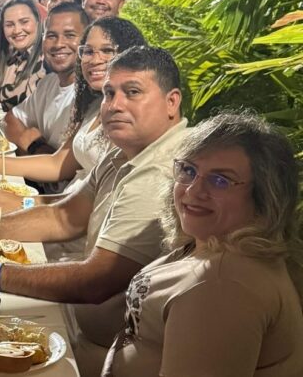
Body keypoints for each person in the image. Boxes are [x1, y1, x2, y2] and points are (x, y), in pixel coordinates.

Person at [0, 46, 188, 377]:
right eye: (109, 93)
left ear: (172, 102)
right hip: (78, 322)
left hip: (106, 354)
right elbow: (64, 216)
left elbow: (95, 281)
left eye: (133, 93)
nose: (114, 105)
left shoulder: (160, 172)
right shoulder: (125, 151)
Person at [104, 112, 303, 376]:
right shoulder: (215, 242)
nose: (193, 191)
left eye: (220, 180)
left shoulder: (223, 286)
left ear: (265, 197)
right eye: (188, 170)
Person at [0, 17, 147, 216]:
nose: (95, 59)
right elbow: (57, 163)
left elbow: (93, 207)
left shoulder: (129, 120)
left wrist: (24, 204)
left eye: (107, 51)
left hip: (73, 229)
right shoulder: (96, 106)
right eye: (88, 51)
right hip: (57, 211)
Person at [1, 3, 90, 162]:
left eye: (70, 35)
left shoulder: (89, 95)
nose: (58, 44)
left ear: (87, 42)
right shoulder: (48, 83)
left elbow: (62, 167)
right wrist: (37, 146)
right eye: (51, 36)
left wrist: (34, 145)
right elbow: (9, 121)